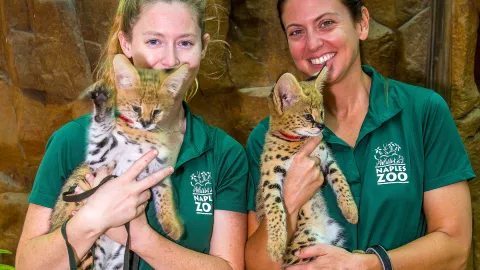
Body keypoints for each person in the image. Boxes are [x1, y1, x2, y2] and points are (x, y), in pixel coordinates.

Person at [16, 0, 247, 269]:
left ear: (203, 46)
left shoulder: (224, 153)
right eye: (153, 42)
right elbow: (27, 264)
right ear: (126, 44)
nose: (170, 60)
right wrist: (91, 220)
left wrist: (140, 237)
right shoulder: (73, 139)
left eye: (185, 43)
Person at [245, 0, 476, 269]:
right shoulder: (268, 137)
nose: (312, 43)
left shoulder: (423, 111)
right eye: (296, 32)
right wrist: (289, 200)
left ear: (362, 23)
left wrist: (367, 265)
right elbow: (258, 265)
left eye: (326, 23)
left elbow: (456, 248)